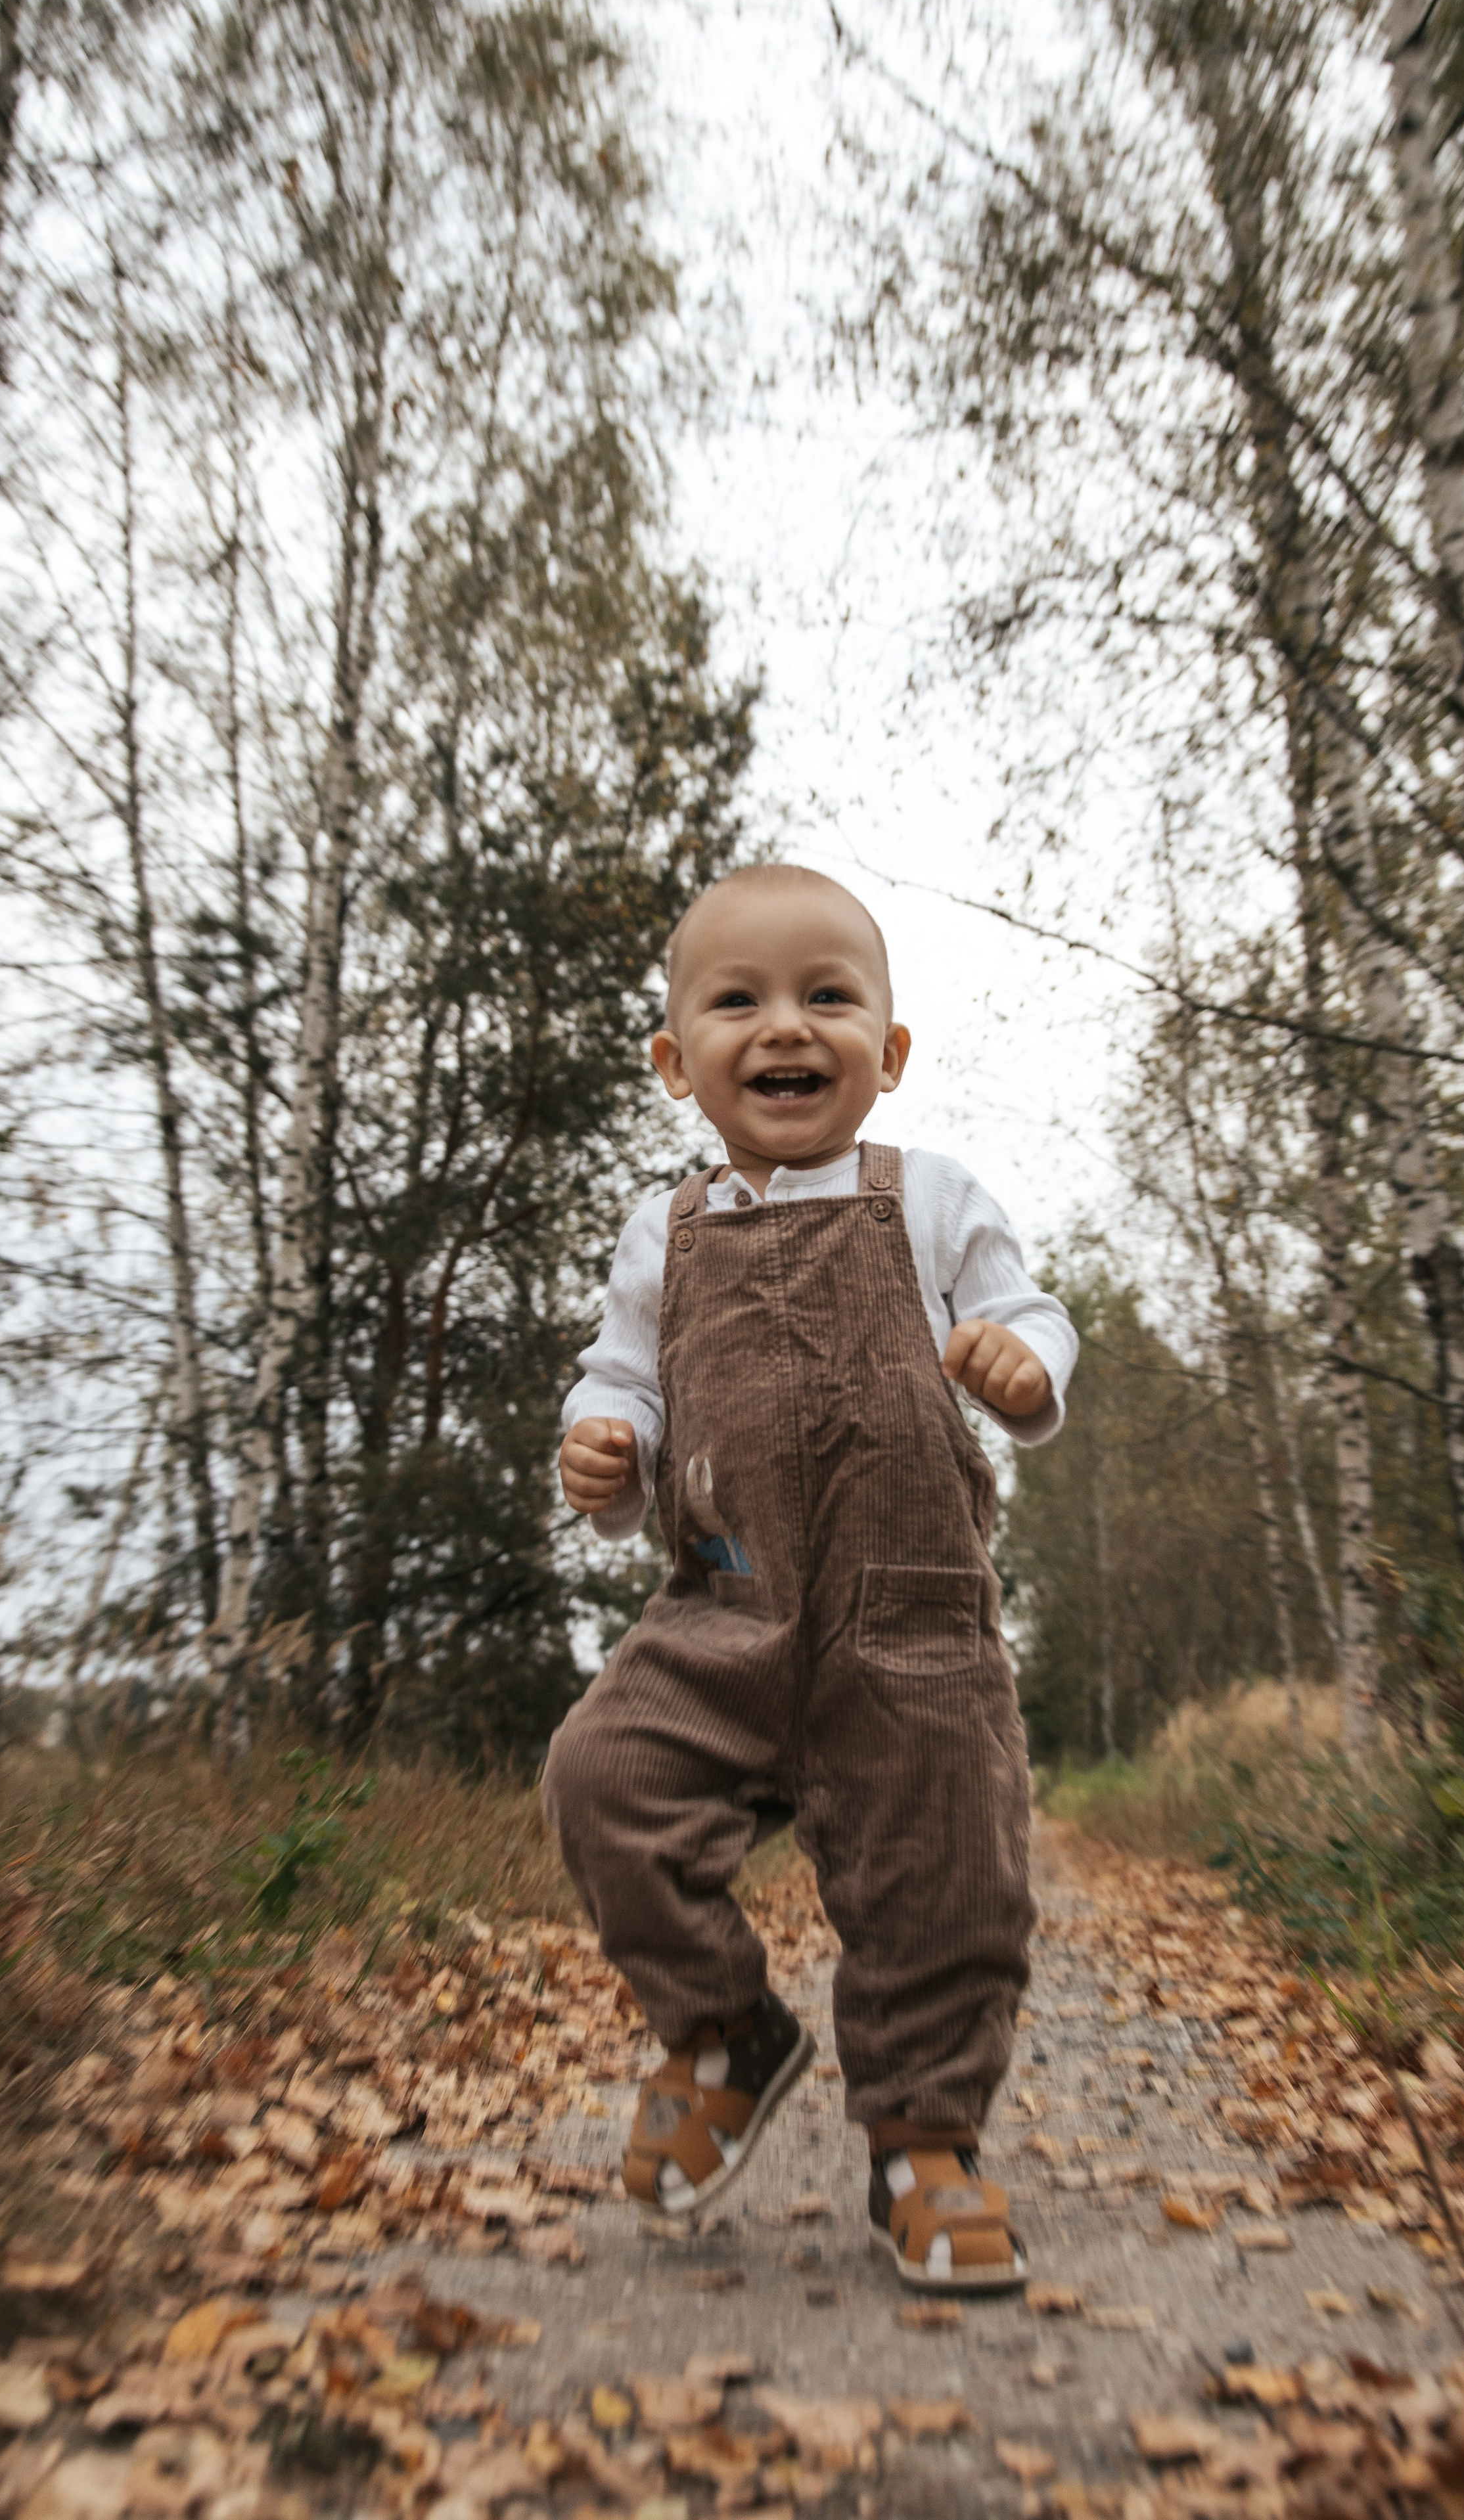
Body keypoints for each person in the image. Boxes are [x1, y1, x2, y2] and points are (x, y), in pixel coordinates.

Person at [542, 863, 1076, 2291]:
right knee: (601, 1779)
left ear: (887, 1052)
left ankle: (923, 2145)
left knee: (946, 1884)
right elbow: (624, 1376)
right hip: (722, 1601)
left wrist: (1023, 1374)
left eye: (827, 997)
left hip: (910, 1623)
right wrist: (606, 1445)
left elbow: (1027, 1315)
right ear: (676, 1063)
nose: (786, 1026)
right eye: (739, 1000)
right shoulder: (666, 1230)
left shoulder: (929, 1198)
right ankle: (726, 2030)